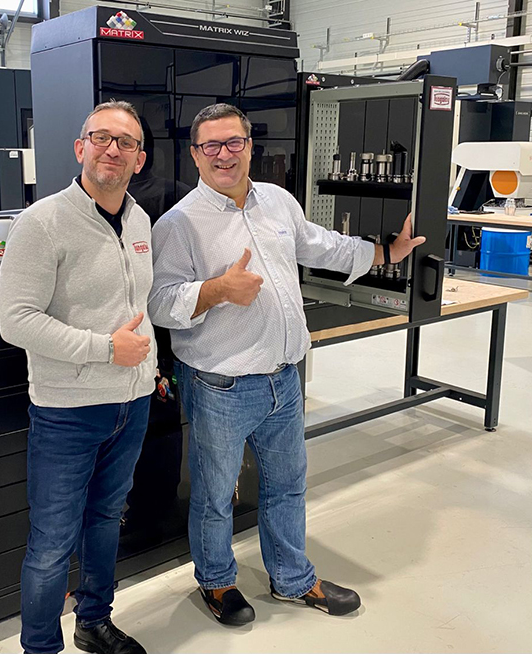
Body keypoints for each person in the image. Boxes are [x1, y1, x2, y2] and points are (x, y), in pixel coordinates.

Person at [148, 103, 426, 625]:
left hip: (284, 379)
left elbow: (323, 246)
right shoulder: (178, 224)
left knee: (287, 485)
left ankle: (292, 579)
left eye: (234, 142)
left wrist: (387, 252)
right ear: (195, 155)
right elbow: (160, 303)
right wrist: (217, 290)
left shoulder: (276, 201)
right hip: (221, 386)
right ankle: (217, 582)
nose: (224, 154)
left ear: (250, 147)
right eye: (211, 145)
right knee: (214, 495)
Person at [0, 100, 156, 654]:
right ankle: (41, 647)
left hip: (132, 404)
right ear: (80, 147)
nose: (113, 149)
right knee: (51, 543)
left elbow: (138, 305)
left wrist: (144, 366)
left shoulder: (140, 220)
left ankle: (94, 622)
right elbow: (16, 320)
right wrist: (105, 349)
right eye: (101, 137)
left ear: (139, 159)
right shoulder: (41, 223)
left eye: (127, 142)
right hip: (68, 411)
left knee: (106, 519)